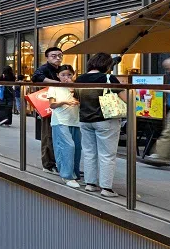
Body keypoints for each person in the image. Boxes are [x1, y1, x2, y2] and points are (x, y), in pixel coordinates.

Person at [74, 53, 127, 198]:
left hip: (85, 119)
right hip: (105, 120)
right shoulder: (108, 78)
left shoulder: (80, 79)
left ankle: (90, 184)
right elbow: (126, 98)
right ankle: (106, 188)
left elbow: (76, 97)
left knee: (89, 153)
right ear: (107, 65)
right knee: (107, 154)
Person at [47, 65, 81, 189]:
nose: (66, 77)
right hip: (60, 120)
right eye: (63, 75)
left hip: (75, 120)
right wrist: (65, 102)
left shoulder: (76, 87)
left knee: (77, 147)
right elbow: (52, 105)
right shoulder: (54, 87)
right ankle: (67, 175)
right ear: (58, 76)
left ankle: (74, 173)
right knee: (68, 146)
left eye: (69, 75)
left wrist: (73, 90)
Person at [33, 47, 64, 172]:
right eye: (54, 55)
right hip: (47, 105)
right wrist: (56, 83)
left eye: (60, 55)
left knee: (59, 135)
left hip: (61, 104)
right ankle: (48, 164)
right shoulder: (44, 68)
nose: (58, 58)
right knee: (48, 135)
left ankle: (58, 162)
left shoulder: (61, 69)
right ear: (47, 57)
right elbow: (36, 77)